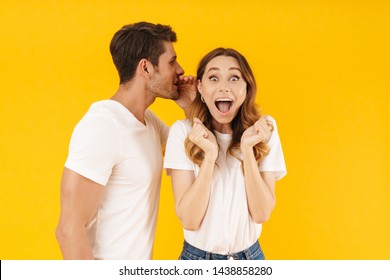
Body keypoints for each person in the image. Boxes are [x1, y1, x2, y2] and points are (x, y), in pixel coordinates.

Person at [55, 22, 196, 260]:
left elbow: (193, 152)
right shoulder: (102, 126)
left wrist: (191, 107)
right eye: (171, 62)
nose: (180, 70)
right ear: (146, 68)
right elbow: (68, 231)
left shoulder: (147, 121)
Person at [164, 48, 287, 260]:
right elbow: (189, 220)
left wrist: (248, 152)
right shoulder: (183, 132)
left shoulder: (264, 131)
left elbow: (262, 213)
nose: (224, 87)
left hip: (250, 259)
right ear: (200, 87)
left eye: (234, 78)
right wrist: (210, 156)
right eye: (213, 78)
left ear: (247, 88)